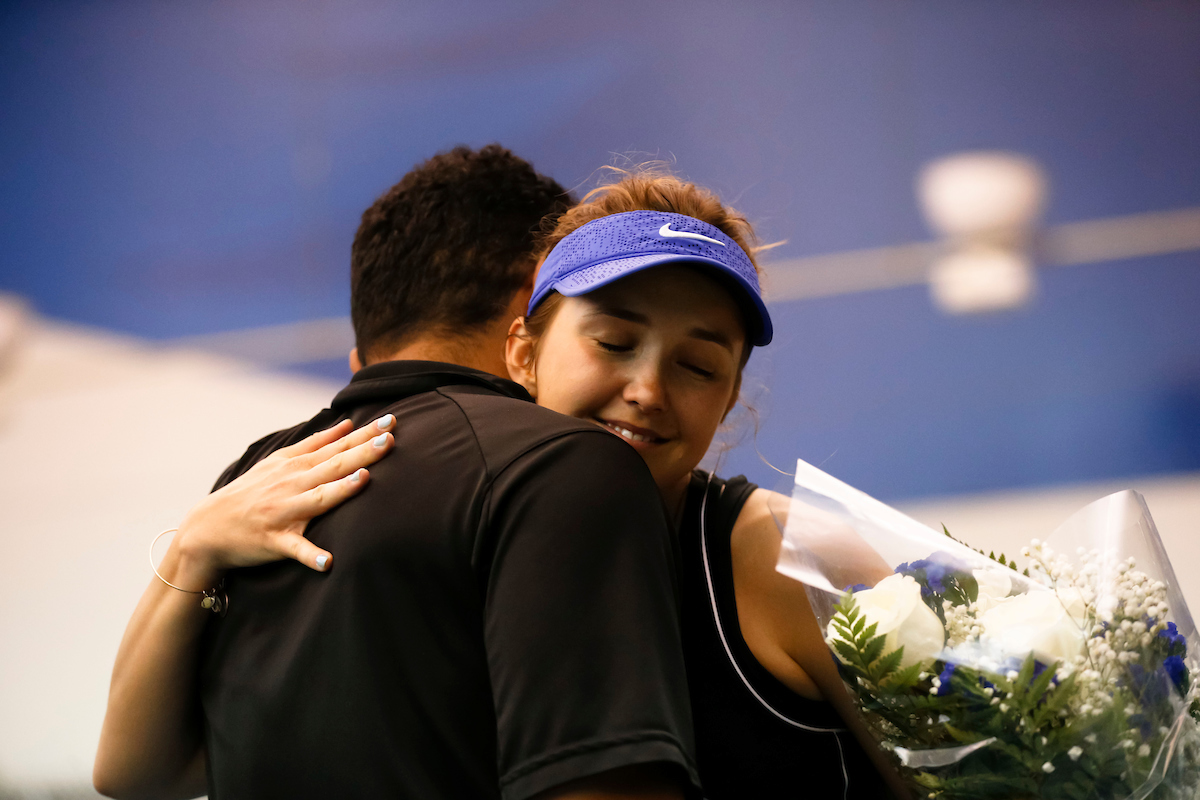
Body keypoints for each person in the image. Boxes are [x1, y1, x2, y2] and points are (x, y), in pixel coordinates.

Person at [94, 146, 700, 800]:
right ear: (533, 309)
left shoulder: (256, 483)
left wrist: (189, 546)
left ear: (362, 354)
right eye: (611, 337)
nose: (645, 389)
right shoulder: (565, 464)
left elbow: (136, 775)